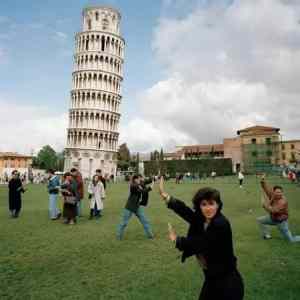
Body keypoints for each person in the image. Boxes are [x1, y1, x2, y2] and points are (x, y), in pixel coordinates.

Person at [159, 177, 244, 300]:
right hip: (212, 278)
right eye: (204, 204)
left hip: (228, 284)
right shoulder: (203, 219)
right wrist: (167, 198)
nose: (208, 208)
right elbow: (187, 212)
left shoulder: (220, 224)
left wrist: (177, 240)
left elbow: (201, 243)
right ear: (199, 206)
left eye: (211, 204)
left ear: (218, 205)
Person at [257, 174, 300, 242]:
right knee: (260, 221)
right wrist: (262, 180)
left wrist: (264, 205)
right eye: (277, 192)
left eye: (280, 192)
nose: (278, 193)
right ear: (274, 192)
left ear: (282, 192)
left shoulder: (283, 201)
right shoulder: (273, 195)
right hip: (272, 218)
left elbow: (274, 211)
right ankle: (267, 235)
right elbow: (266, 188)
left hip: (281, 222)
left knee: (291, 240)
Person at [117, 175, 154, 240]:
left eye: (140, 178)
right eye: (139, 179)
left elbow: (146, 181)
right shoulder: (133, 186)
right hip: (129, 207)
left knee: (145, 221)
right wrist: (150, 188)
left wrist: (153, 178)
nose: (141, 180)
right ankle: (119, 236)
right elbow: (143, 191)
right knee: (124, 223)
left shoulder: (140, 183)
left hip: (137, 206)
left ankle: (150, 236)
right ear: (135, 180)